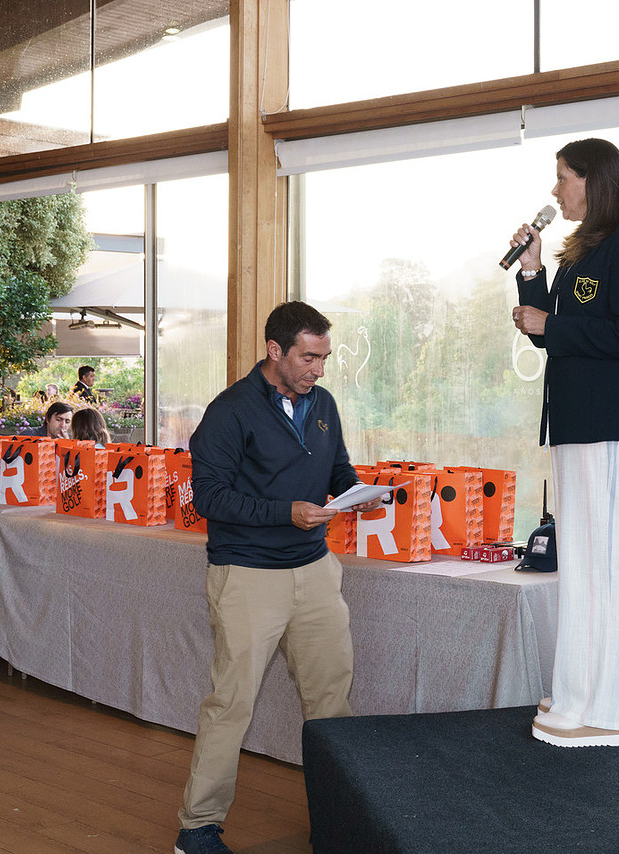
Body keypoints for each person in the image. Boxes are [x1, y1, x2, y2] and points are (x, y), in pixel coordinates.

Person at [175, 301, 382, 854]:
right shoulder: (229, 412)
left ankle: (337, 823)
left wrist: (357, 493)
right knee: (232, 703)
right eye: (309, 357)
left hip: (315, 571)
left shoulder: (324, 404)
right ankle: (197, 828)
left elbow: (337, 468)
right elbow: (209, 498)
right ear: (275, 350)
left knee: (332, 702)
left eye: (324, 358)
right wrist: (284, 512)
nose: (319, 369)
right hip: (247, 575)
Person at [510, 138, 619, 748]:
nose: (555, 191)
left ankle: (604, 706)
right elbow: (549, 334)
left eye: (563, 178)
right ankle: (575, 689)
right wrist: (532, 272)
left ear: (593, 181)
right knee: (579, 564)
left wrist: (552, 323)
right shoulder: (582, 249)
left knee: (601, 565)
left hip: (605, 425)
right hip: (575, 425)